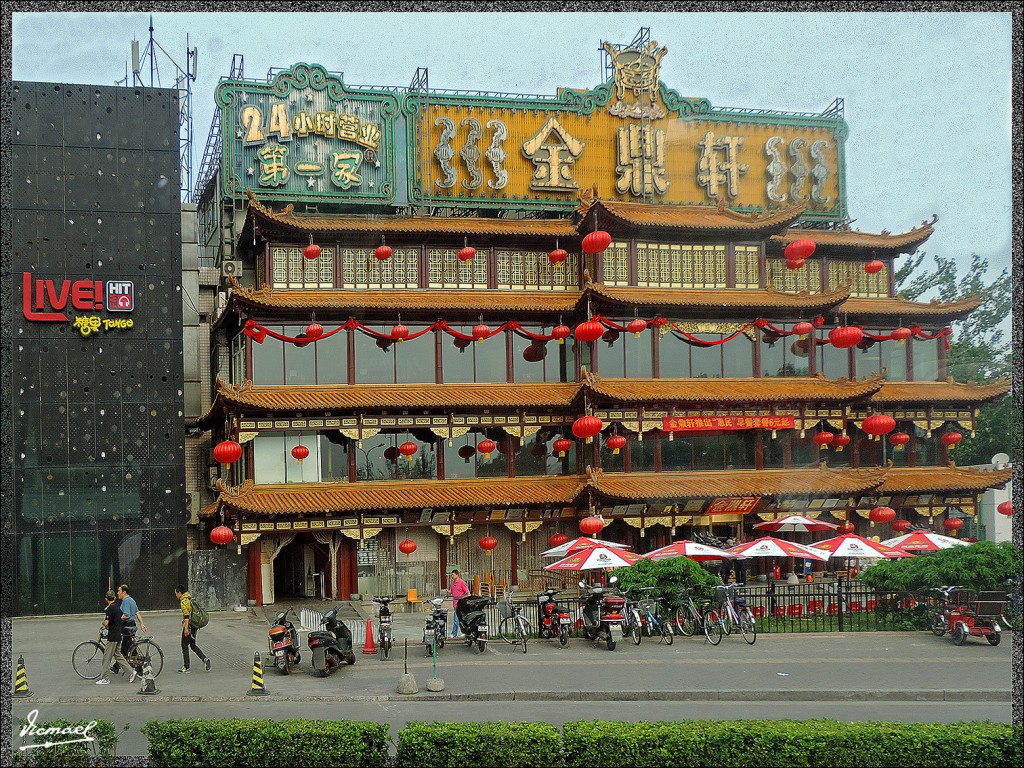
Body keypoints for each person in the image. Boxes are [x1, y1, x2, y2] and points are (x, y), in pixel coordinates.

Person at [95, 590, 130, 685]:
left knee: (106, 658)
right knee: (119, 656)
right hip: (118, 635)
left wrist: (104, 624)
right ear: (114, 598)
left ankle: (105, 678)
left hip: (112, 637)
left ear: (106, 599)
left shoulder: (109, 609)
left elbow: (106, 623)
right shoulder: (118, 608)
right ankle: (131, 672)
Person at [174, 584, 211, 673]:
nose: (175, 595)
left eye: (176, 593)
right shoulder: (190, 598)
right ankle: (204, 659)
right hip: (194, 626)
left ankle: (186, 666)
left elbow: (187, 616)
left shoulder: (184, 601)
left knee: (184, 645)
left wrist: (186, 628)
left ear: (179, 593)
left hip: (189, 626)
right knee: (193, 645)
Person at [117, 584, 147, 682]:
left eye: (119, 591)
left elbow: (126, 615)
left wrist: (116, 619)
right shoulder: (132, 600)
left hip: (126, 626)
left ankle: (119, 665)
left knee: (125, 648)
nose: (118, 593)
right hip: (132, 625)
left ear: (124, 592)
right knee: (129, 647)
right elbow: (137, 612)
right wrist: (142, 624)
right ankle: (117, 665)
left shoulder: (125, 601)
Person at [448, 569, 470, 639]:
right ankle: (456, 633)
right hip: (455, 604)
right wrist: (448, 591)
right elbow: (451, 591)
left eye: (453, 575)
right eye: (451, 575)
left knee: (461, 619)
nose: (452, 576)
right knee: (456, 619)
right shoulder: (453, 583)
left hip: (461, 604)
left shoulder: (462, 583)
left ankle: (460, 633)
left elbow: (467, 592)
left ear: (457, 575)